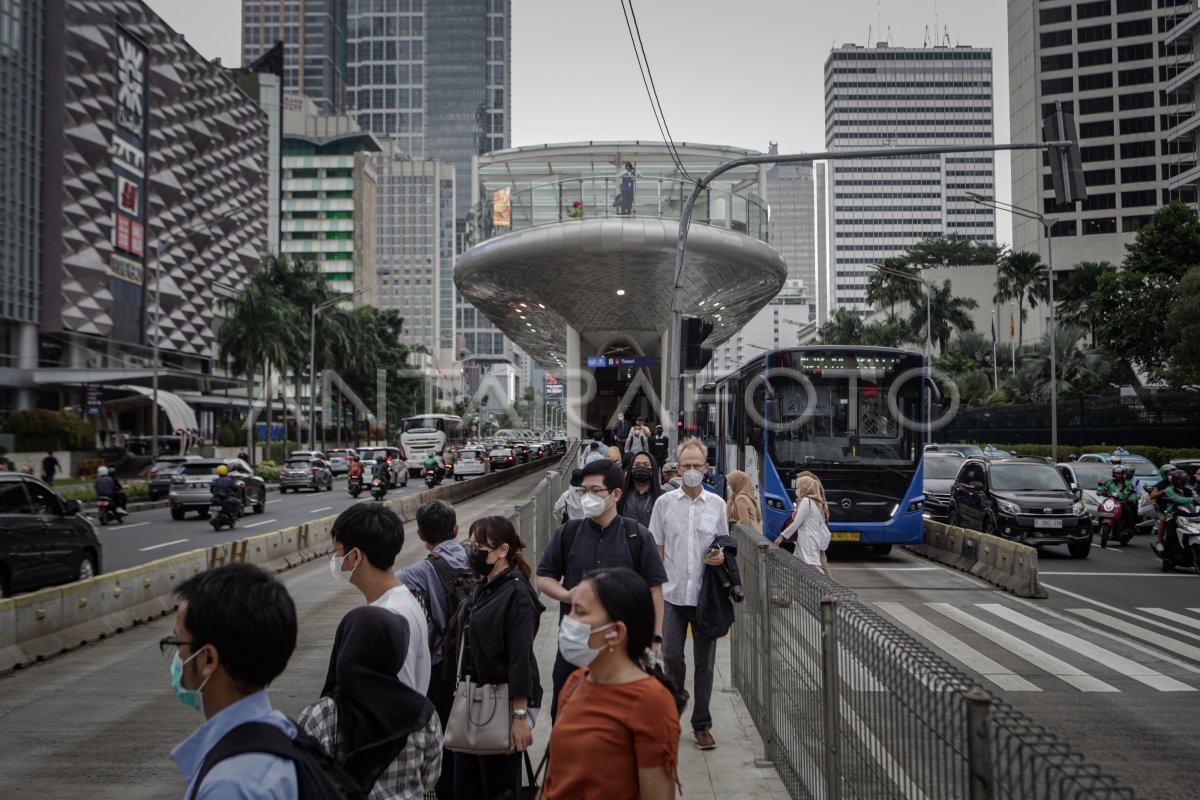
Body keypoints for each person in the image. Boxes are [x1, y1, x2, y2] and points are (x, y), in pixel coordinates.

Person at [537, 458, 669, 720]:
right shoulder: (568, 534)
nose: (587, 497)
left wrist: (654, 641)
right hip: (574, 650)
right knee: (567, 719)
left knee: (619, 724)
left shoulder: (638, 536)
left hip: (622, 652)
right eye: (583, 491)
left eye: (595, 491)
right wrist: (567, 595)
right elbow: (544, 577)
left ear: (616, 494)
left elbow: (654, 591)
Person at [540, 568, 682, 800]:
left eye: (580, 612)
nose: (569, 622)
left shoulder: (651, 702)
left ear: (616, 632)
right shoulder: (576, 682)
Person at [166, 564, 299, 799]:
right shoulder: (285, 733)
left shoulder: (230, 786)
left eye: (179, 645)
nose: (178, 658)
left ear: (208, 658)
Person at [298, 606, 442, 800]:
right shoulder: (423, 714)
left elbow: (304, 780)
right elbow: (429, 779)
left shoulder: (320, 715)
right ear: (393, 652)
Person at [452, 516, 544, 799]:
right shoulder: (484, 587)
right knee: (466, 787)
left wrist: (519, 717)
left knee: (498, 788)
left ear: (502, 550)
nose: (472, 551)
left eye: (479, 546)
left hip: (502, 703)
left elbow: (520, 659)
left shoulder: (516, 593)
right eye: (470, 544)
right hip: (474, 698)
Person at [648, 437, 730, 751]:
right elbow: (656, 548)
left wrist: (721, 556)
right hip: (672, 596)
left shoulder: (718, 505)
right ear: (678, 468)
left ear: (706, 468)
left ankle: (702, 724)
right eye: (687, 466)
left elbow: (724, 544)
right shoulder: (664, 504)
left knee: (706, 665)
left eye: (698, 465)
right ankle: (677, 699)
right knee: (671, 658)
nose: (692, 470)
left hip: (706, 597)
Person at [395, 501, 470, 800]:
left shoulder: (423, 569)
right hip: (476, 663)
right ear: (456, 529)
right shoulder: (475, 555)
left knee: (443, 736)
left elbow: (391, 583)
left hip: (442, 667)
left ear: (420, 535)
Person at [329, 504, 431, 694]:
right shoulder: (399, 601)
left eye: (338, 550)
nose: (335, 558)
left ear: (356, 556)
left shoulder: (389, 615)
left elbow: (399, 698)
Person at [774, 473, 832, 574]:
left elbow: (796, 523)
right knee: (795, 569)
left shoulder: (806, 501)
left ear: (804, 487)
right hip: (808, 540)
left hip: (807, 541)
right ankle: (788, 590)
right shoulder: (815, 503)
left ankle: (827, 589)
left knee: (816, 570)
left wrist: (781, 537)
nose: (797, 490)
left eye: (799, 487)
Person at [1160, 469, 1196, 572]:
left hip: (1190, 515)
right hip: (1174, 515)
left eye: (1185, 480)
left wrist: (1196, 500)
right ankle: (1166, 560)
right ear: (1176, 480)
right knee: (1170, 536)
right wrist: (1193, 500)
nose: (1183, 482)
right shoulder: (1169, 490)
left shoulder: (1189, 489)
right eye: (1181, 480)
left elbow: (1196, 497)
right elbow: (1177, 499)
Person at [619, 451, 664, 528]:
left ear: (653, 469)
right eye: (636, 465)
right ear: (631, 469)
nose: (641, 467)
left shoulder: (663, 496)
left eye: (646, 465)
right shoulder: (621, 495)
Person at [1098, 465, 1137, 547]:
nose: (1117, 475)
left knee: (1128, 511)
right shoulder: (1109, 482)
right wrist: (1100, 491)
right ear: (1113, 474)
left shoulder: (1128, 484)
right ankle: (1100, 524)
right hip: (1110, 501)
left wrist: (1131, 498)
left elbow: (1133, 493)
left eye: (1119, 473)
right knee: (1100, 507)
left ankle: (1126, 528)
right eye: (1116, 473)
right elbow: (1102, 488)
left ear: (1123, 474)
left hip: (1122, 502)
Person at [1150, 463, 1176, 556]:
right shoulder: (1161, 484)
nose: (1171, 476)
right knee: (1162, 520)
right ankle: (1159, 542)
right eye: (1169, 474)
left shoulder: (1180, 482)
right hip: (1164, 510)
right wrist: (1163, 491)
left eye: (1173, 474)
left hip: (1179, 509)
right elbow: (1152, 495)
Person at [725, 470, 762, 535]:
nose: (728, 485)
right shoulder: (749, 496)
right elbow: (758, 517)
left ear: (737, 482)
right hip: (755, 534)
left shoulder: (740, 499)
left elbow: (743, 522)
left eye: (730, 483)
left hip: (749, 537)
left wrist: (732, 527)